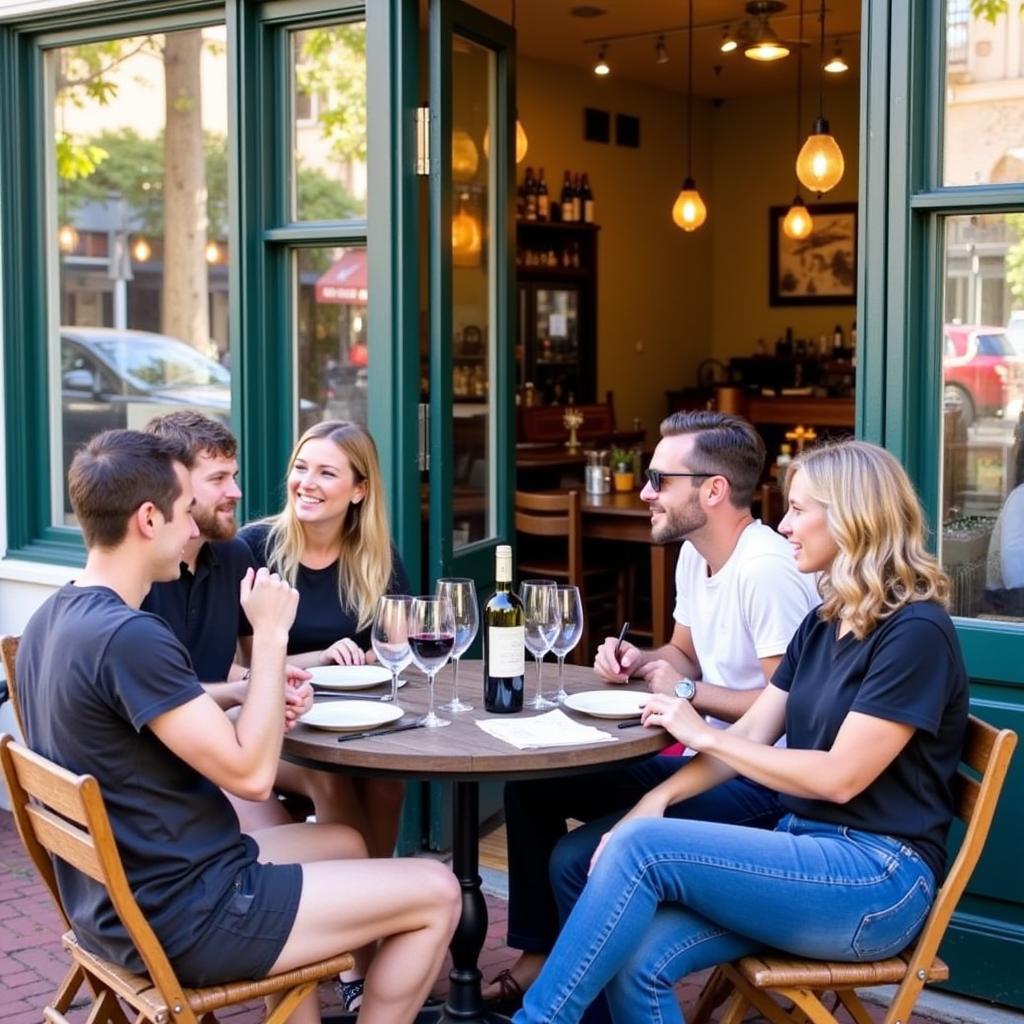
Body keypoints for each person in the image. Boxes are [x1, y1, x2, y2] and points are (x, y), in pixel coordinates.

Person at [513, 439, 969, 1024]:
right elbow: (754, 732)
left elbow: (839, 779)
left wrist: (699, 731)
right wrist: (656, 798)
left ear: (855, 517)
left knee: (640, 848)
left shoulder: (915, 633)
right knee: (635, 958)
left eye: (800, 510)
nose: (783, 525)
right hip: (802, 847)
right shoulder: (825, 622)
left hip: (877, 881)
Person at [17, 430, 460, 1024]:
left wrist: (260, 691)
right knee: (437, 889)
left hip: (119, 896)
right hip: (187, 908)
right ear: (149, 519)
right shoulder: (130, 637)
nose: (195, 529)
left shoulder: (52, 617)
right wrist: (272, 636)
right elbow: (251, 775)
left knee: (346, 843)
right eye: (185, 514)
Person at [489, 411, 820, 1011]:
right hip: (705, 752)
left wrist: (688, 695)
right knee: (532, 789)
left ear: (713, 490)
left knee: (575, 856)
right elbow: (683, 654)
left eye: (658, 479)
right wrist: (641, 659)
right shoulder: (698, 554)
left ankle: (587, 1005)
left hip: (761, 779)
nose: (643, 491)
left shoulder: (767, 572)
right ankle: (541, 956)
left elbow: (789, 708)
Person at [238, 420, 410, 858]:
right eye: (301, 468)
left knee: (387, 781)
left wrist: (378, 654)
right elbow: (241, 669)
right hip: (279, 725)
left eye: (326, 473)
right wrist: (323, 657)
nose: (306, 484)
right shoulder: (254, 549)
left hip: (355, 718)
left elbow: (400, 648)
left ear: (359, 490)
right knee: (331, 776)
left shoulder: (378, 558)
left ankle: (381, 900)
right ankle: (362, 905)